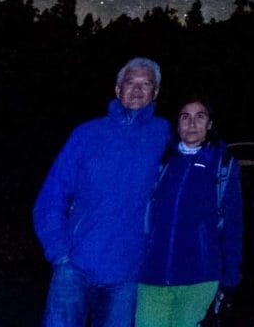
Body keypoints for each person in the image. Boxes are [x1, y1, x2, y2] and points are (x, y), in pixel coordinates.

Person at [33, 57, 171, 327]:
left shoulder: (165, 135)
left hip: (128, 272)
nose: (137, 89)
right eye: (130, 82)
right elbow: (51, 196)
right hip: (74, 265)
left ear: (155, 93)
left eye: (147, 84)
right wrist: (58, 251)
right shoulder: (86, 134)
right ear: (118, 90)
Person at [136, 96, 244, 327]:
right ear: (177, 124)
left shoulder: (222, 165)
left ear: (210, 124)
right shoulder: (162, 162)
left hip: (199, 279)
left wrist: (231, 278)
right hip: (152, 277)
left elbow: (233, 224)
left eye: (200, 116)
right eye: (185, 117)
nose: (192, 123)